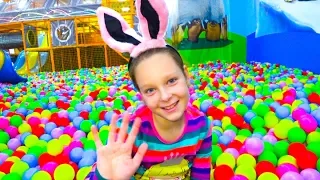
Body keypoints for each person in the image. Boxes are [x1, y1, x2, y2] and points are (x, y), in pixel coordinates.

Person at [85, 0, 212, 179]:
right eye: (150, 90)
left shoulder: (201, 126)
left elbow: (201, 175)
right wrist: (106, 176)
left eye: (171, 80)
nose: (166, 96)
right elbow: (111, 170)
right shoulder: (128, 133)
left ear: (186, 76)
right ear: (141, 96)